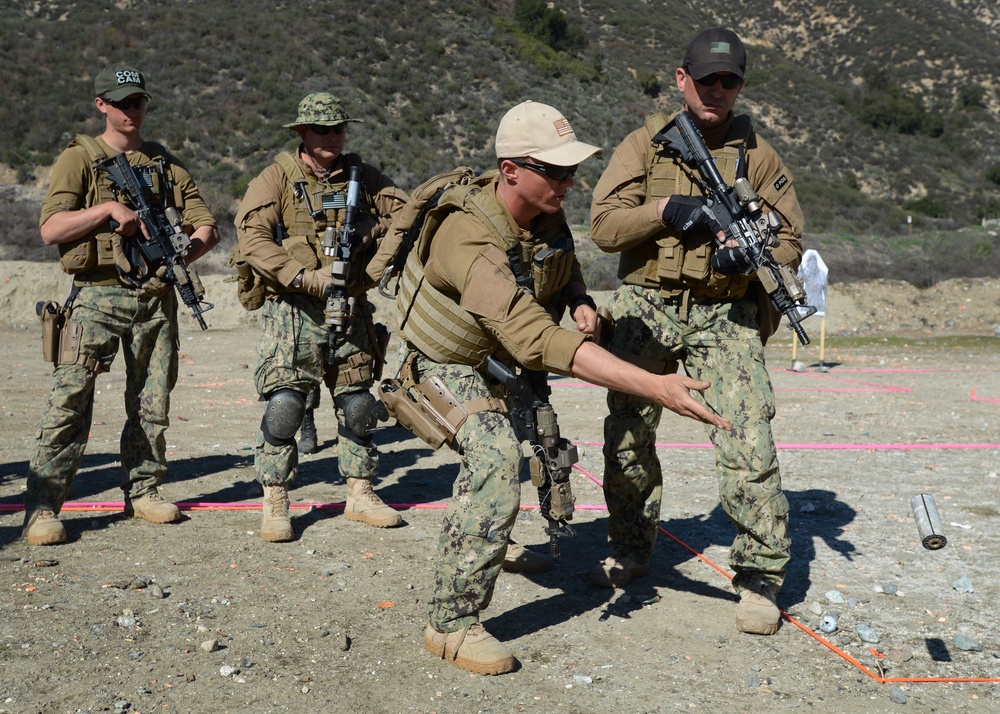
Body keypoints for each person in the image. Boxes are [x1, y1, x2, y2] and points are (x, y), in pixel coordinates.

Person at [390, 100, 731, 675]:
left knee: (544, 457)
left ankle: (492, 540)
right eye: (554, 170)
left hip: (500, 360)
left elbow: (562, 269)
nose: (569, 181)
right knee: (496, 458)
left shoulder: (544, 216)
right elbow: (533, 340)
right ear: (510, 171)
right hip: (443, 362)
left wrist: (578, 301)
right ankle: (449, 624)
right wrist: (654, 386)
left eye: (572, 169)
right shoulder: (466, 238)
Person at [589, 28, 805, 636]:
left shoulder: (759, 157)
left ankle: (760, 576)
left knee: (747, 435)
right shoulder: (644, 146)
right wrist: (664, 213)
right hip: (648, 304)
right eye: (705, 79)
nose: (716, 90)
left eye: (728, 80)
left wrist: (751, 259)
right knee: (628, 434)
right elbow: (603, 226)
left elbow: (788, 240)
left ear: (740, 85)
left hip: (723, 310)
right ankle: (631, 549)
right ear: (681, 78)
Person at [22, 62, 220, 545]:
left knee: (152, 403)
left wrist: (185, 249)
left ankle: (145, 489)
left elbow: (206, 225)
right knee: (70, 399)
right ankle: (43, 506)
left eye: (139, 102)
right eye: (123, 102)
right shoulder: (80, 157)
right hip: (95, 296)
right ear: (101, 105)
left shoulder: (164, 163)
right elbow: (51, 229)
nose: (133, 111)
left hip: (155, 297)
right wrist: (108, 210)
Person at [235, 92, 409, 542]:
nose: (332, 137)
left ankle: (360, 491)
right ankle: (275, 496)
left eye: (338, 129)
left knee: (356, 402)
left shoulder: (363, 176)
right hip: (294, 309)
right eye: (321, 130)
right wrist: (305, 277)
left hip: (349, 306)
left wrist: (374, 232)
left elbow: (406, 212)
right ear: (301, 134)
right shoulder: (276, 178)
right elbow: (252, 238)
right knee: (286, 405)